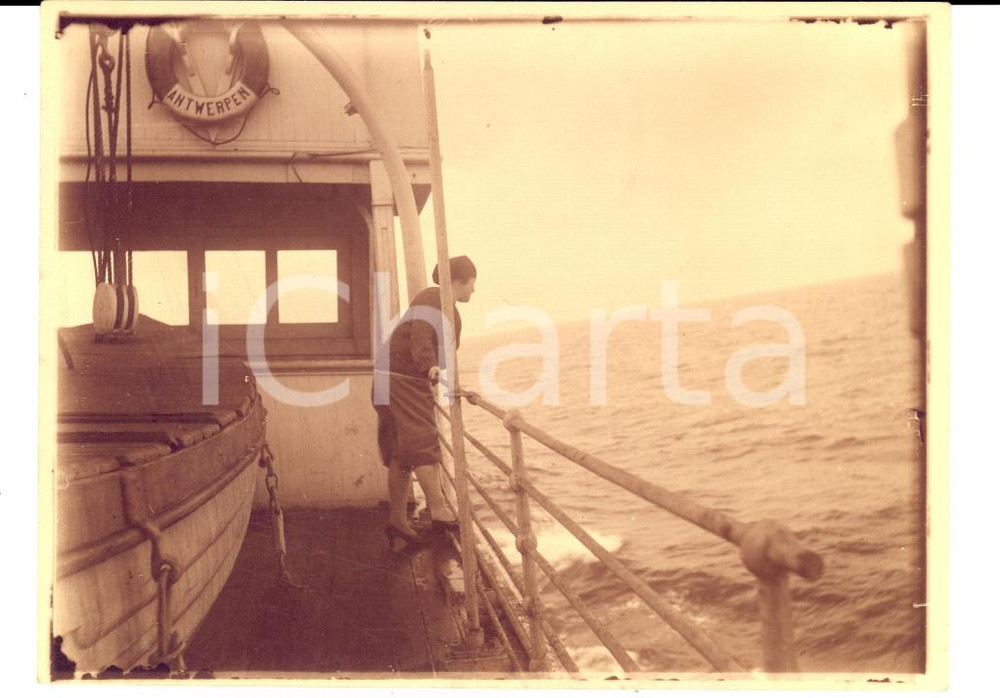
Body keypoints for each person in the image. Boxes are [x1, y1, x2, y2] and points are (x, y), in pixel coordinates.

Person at [373, 255, 477, 548]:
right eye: (472, 283)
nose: (474, 290)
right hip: (403, 379)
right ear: (458, 281)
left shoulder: (445, 307)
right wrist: (429, 367)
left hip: (388, 376)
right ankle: (441, 511)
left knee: (399, 452)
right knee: (422, 442)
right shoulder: (432, 298)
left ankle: (397, 522)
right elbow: (420, 336)